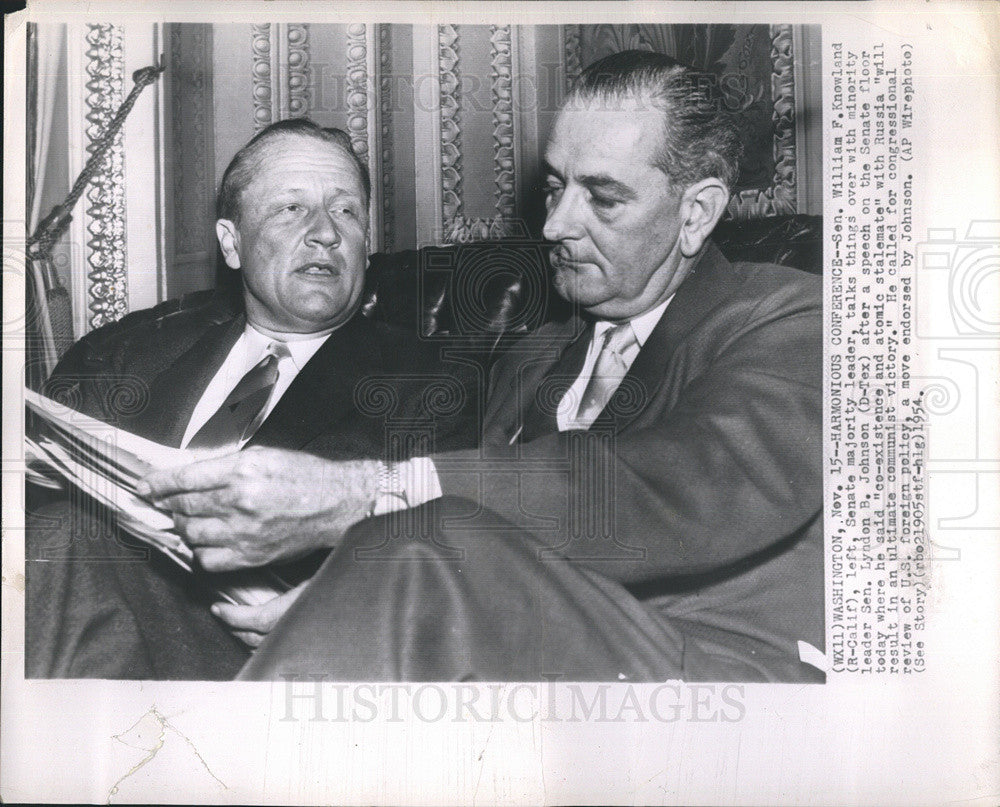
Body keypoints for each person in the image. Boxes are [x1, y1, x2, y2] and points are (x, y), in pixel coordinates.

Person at [140, 50, 825, 683]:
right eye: (556, 187)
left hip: (716, 675)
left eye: (602, 196)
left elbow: (681, 485)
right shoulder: (532, 359)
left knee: (427, 538)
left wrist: (373, 497)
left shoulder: (789, 318)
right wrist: (342, 591)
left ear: (697, 213)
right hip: (521, 660)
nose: (555, 223)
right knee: (93, 565)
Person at [26, 119, 477, 679]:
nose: (324, 234)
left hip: (277, 658)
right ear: (231, 243)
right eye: (291, 209)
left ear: (367, 248)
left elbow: (452, 547)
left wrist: (345, 598)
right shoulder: (134, 359)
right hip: (109, 623)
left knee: (63, 539)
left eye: (346, 211)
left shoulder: (431, 382)